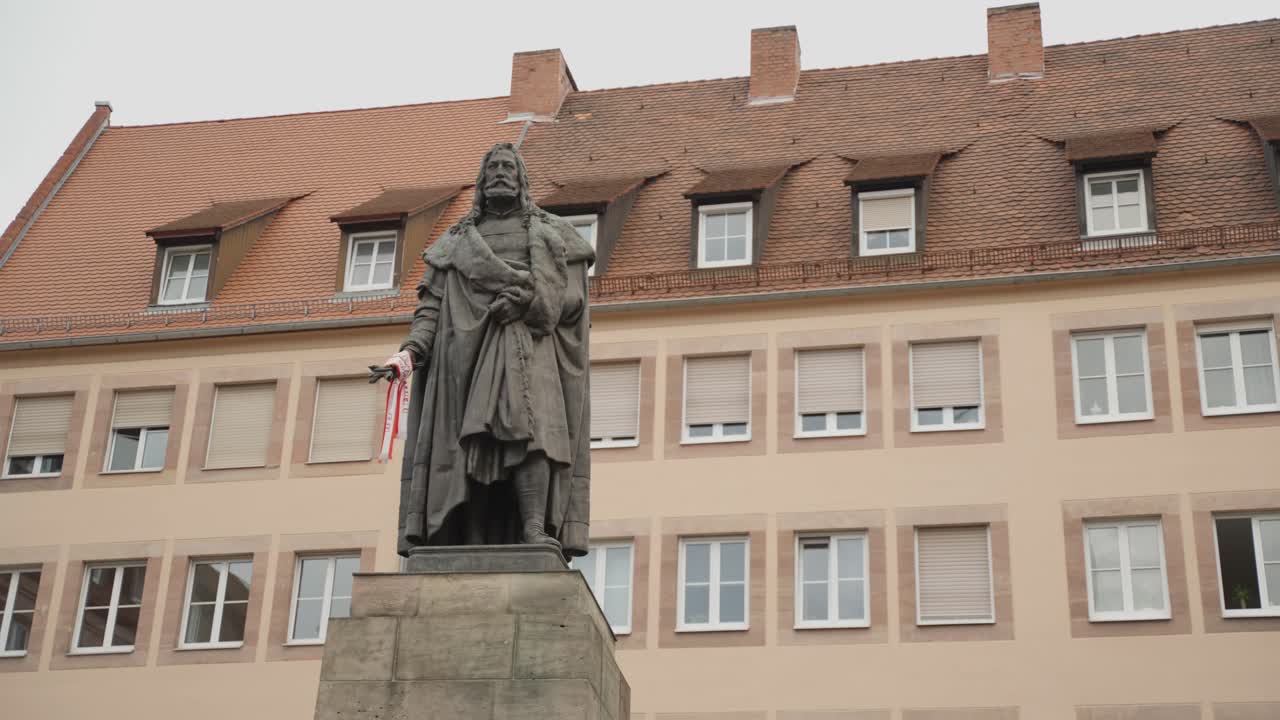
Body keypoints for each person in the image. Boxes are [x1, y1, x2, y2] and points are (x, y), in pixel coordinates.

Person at [371, 143, 594, 560]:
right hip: (464, 360)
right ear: (480, 181)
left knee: (537, 435)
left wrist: (526, 304)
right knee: (467, 444)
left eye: (508, 167)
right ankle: (467, 538)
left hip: (533, 349)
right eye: (492, 168)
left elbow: (572, 300)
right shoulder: (456, 243)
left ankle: (533, 528)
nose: (500, 174)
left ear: (523, 179)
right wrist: (409, 354)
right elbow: (430, 306)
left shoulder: (551, 234)